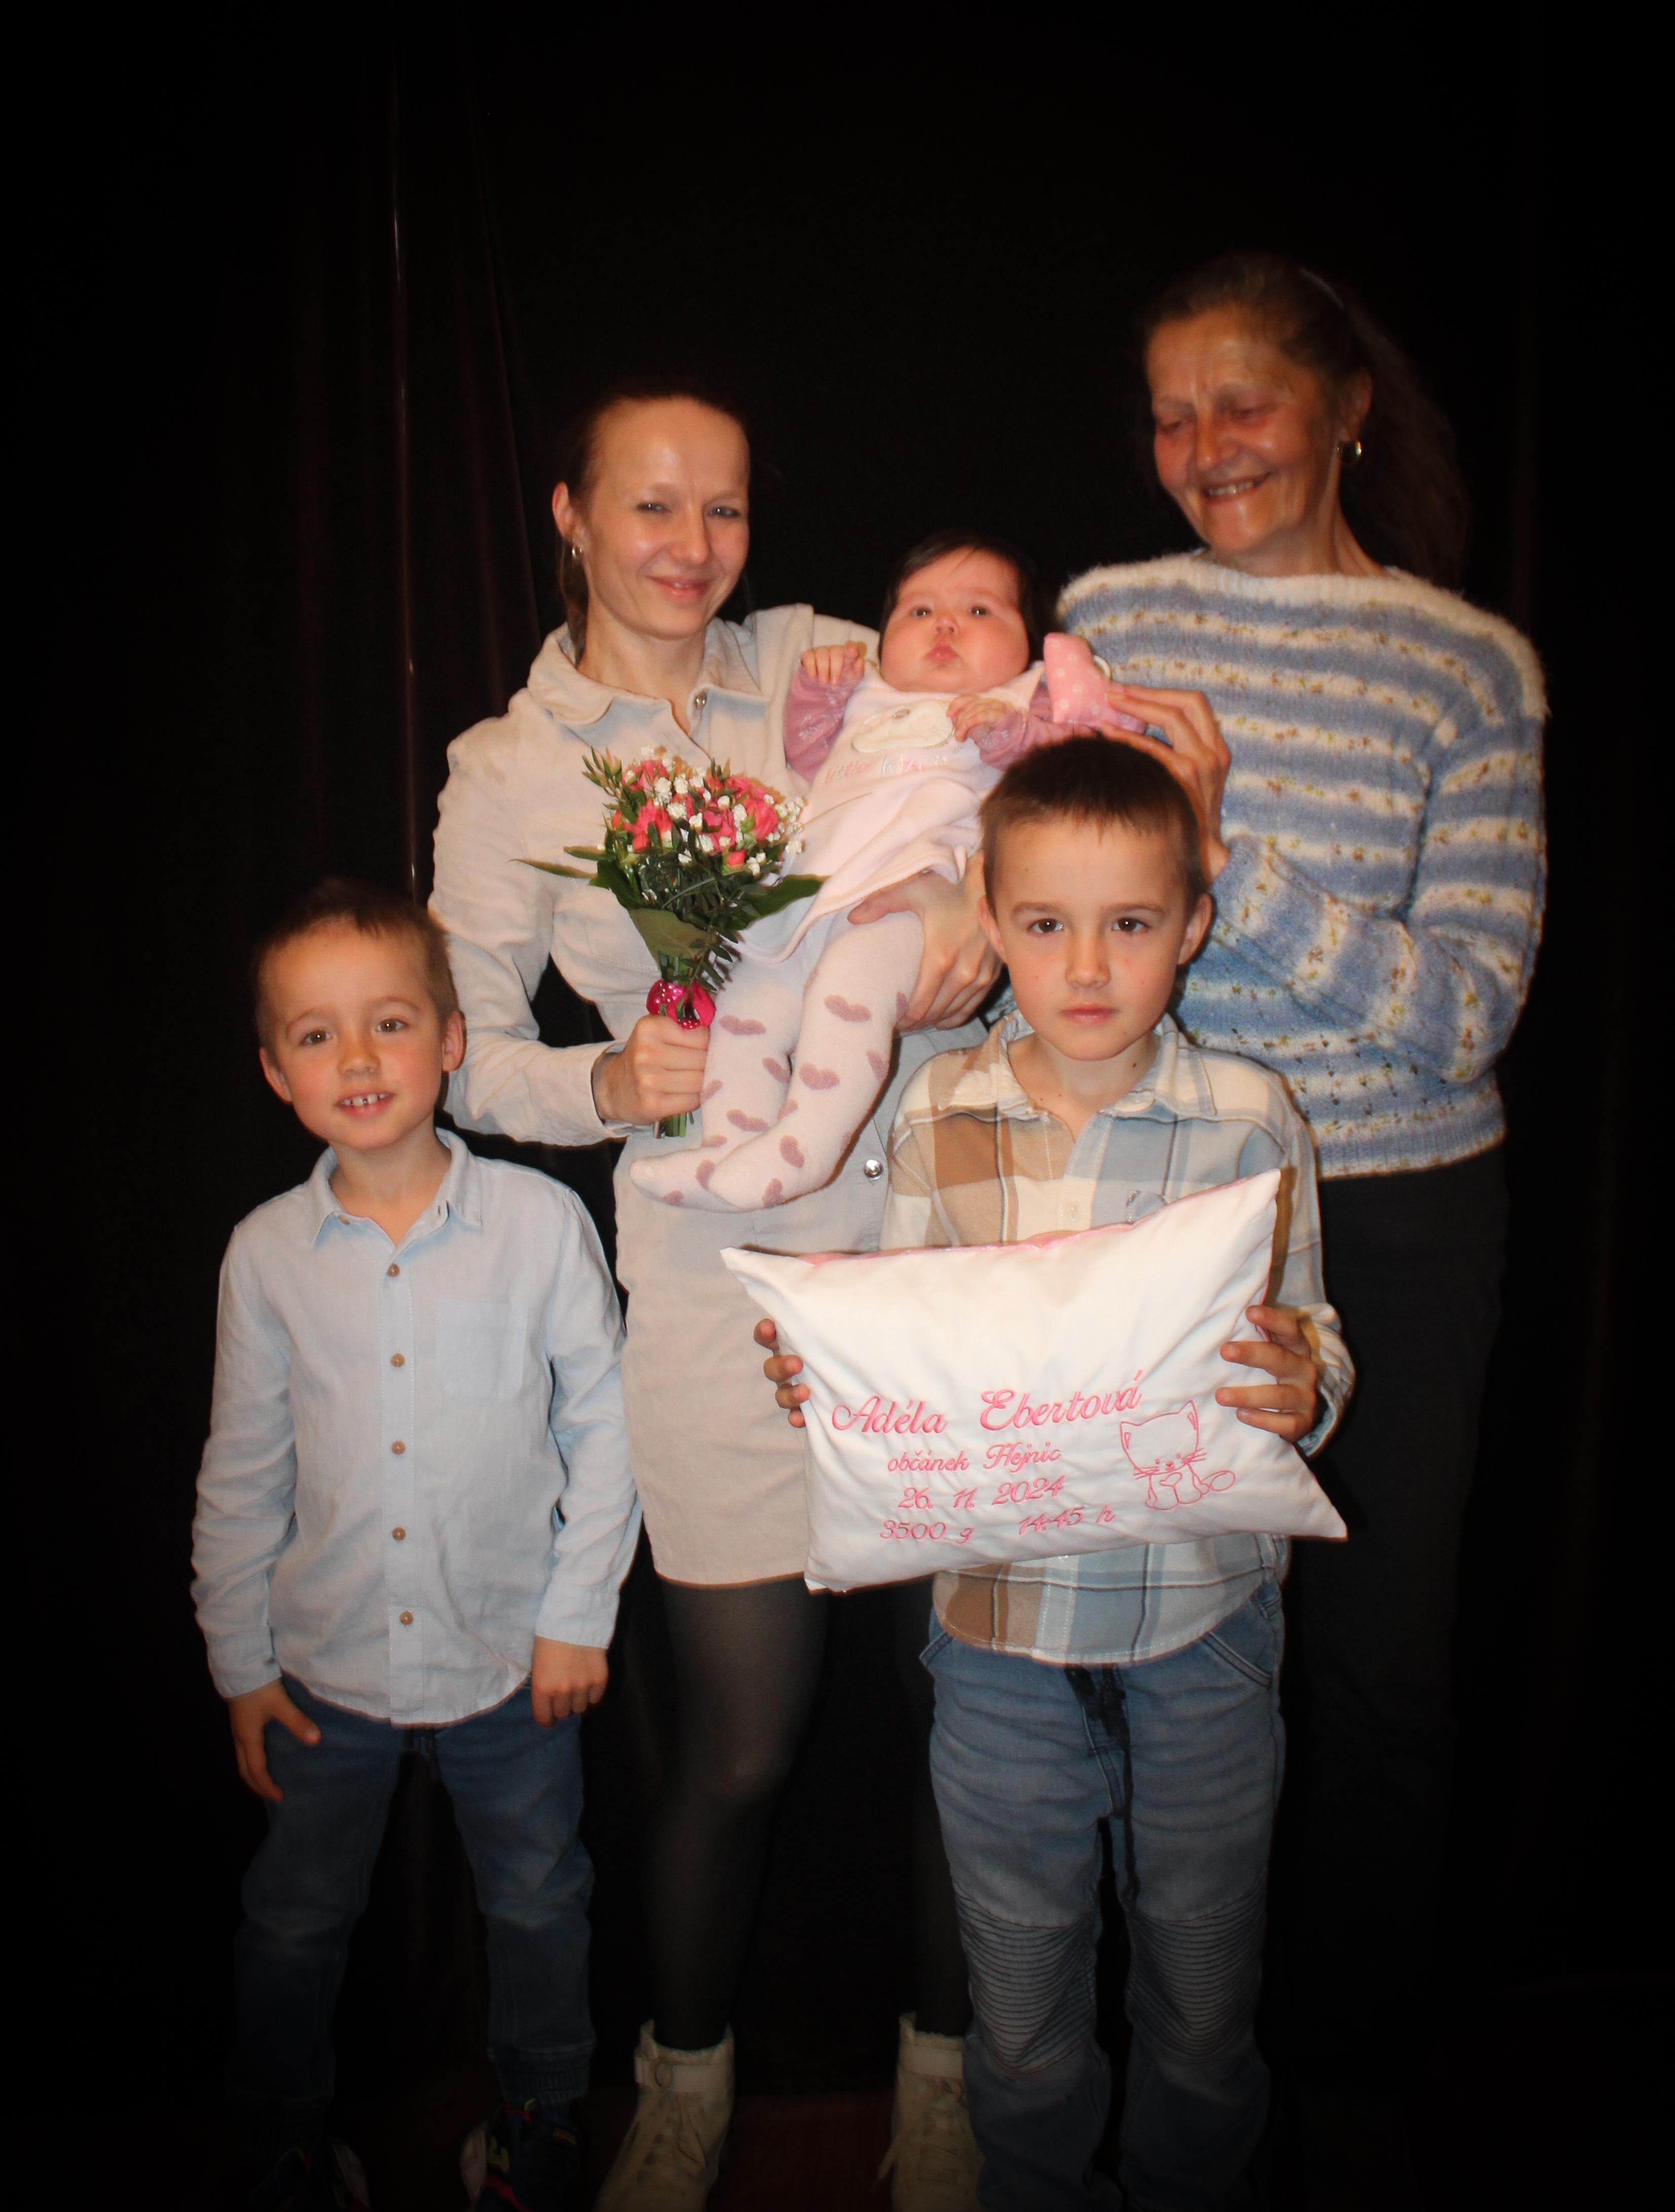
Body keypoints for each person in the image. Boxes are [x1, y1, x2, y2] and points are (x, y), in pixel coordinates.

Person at [430, 387, 1001, 2210]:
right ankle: (682, 2091)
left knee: (965, 1721)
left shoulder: (831, 658)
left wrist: (980, 917)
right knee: (741, 1739)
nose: (694, 548)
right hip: (709, 1281)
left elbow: (1011, 757)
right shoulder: (511, 770)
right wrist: (606, 1083)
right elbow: (464, 1055)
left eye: (726, 510)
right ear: (571, 514)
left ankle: (946, 2087)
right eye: (654, 507)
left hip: (930, 1244)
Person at [1057, 252, 1547, 2201]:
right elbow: (1039, 912)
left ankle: (1341, 2087)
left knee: (1374, 1680)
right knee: (1145, 1665)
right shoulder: (1104, 623)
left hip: (1401, 1221)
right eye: (1168, 415)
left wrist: (1221, 854)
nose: (1202, 449)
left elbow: (1465, 1010)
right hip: (1158, 1203)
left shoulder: (1466, 666)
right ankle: (1167, 2072)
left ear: (1344, 408)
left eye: (1240, 403)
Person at [761, 735, 1353, 2209]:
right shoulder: (936, 1113)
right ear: (988, 912)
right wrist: (835, 1376)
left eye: (1130, 922)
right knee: (1019, 2015)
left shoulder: (1251, 1117)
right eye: (1043, 923)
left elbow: (1309, 1330)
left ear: (1194, 921)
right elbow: (908, 1334)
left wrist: (1309, 1385)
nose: (1086, 966)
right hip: (998, 1643)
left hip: (1206, 1624)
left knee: (1204, 2001)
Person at [191, 881, 639, 2212]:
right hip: (321, 1675)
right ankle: (280, 2135)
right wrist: (239, 1665)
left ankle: (541, 2117)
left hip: (512, 1664)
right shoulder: (264, 1258)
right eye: (316, 1034)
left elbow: (607, 1428)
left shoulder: (540, 1226)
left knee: (539, 1903)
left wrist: (577, 1617)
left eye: (389, 1021)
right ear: (275, 1073)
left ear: (451, 1038)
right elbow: (241, 1472)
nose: (358, 1057)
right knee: (291, 1921)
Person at [630, 530, 1079, 1214]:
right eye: (919, 611)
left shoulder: (1025, 697)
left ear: (1031, 640)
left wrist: (1012, 732)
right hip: (814, 893)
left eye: (979, 611)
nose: (945, 626)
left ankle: (805, 1147)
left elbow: (1072, 767)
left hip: (917, 896)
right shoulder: (867, 694)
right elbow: (809, 756)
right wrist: (819, 691)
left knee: (850, 990)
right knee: (746, 1002)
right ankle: (728, 1145)